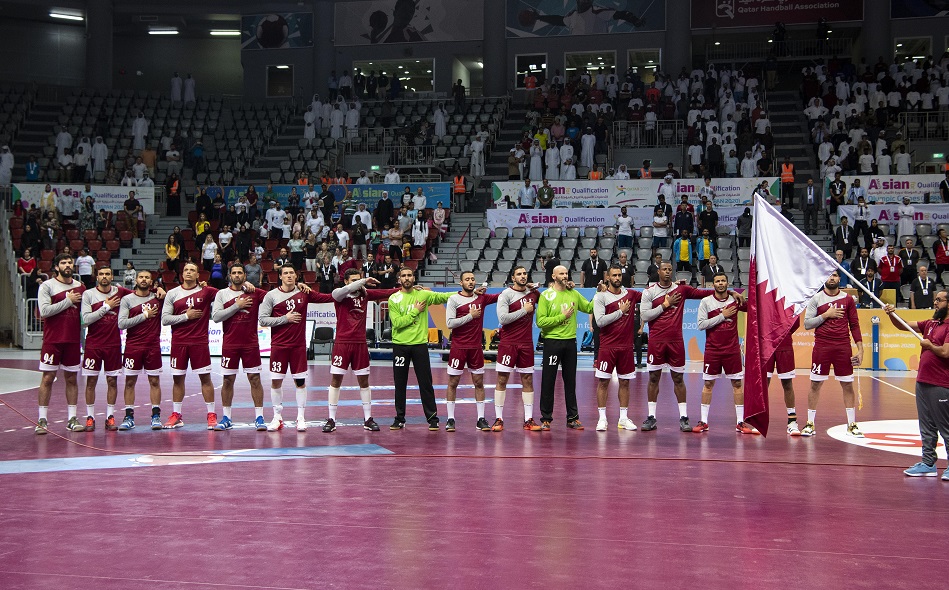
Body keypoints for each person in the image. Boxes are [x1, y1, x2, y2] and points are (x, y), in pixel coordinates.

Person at [640, 261, 739, 432]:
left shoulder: (682, 290)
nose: (667, 272)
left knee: (678, 379)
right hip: (656, 342)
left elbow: (705, 293)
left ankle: (684, 417)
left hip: (676, 342)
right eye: (664, 269)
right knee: (654, 378)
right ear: (658, 271)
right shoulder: (649, 292)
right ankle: (651, 417)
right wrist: (665, 304)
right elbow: (645, 315)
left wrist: (729, 291)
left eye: (670, 269)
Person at [321, 269, 397, 433]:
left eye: (359, 279)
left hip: (360, 344)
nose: (358, 283)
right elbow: (345, 291)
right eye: (354, 280)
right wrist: (362, 281)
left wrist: (406, 290)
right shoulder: (339, 294)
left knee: (364, 382)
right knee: (336, 380)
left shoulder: (365, 294)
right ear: (346, 281)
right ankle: (331, 419)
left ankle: (368, 418)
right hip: (342, 343)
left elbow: (386, 292)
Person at [883, 294, 949, 478]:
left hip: (941, 383)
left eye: (940, 300)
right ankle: (928, 463)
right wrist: (891, 315)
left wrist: (930, 346)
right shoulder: (930, 323)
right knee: (926, 426)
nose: (935, 302)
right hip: (923, 381)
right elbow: (903, 325)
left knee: (945, 426)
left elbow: (945, 352)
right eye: (935, 299)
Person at [258, 264, 329, 431]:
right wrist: (285, 318)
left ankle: (301, 418)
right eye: (286, 273)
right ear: (280, 277)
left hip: (298, 347)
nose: (289, 275)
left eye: (292, 273)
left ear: (296, 276)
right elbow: (262, 320)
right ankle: (277, 417)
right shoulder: (271, 296)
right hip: (278, 346)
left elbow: (326, 298)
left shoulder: (304, 293)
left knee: (300, 382)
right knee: (276, 382)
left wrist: (347, 291)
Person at [160, 262, 226, 429]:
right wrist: (186, 316)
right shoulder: (173, 293)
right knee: (178, 379)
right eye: (186, 270)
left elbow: (227, 296)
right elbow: (165, 319)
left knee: (205, 379)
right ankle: (176, 414)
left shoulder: (207, 291)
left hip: (199, 342)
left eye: (192, 270)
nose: (188, 272)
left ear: (198, 275)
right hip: (178, 343)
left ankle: (211, 414)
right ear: (182, 274)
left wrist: (246, 286)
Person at [387, 268, 452, 430]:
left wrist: (466, 292)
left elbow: (444, 297)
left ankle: (432, 418)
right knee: (400, 384)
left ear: (414, 278)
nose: (407, 278)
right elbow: (398, 323)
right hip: (400, 346)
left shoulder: (423, 295)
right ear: (399, 279)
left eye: (409, 275)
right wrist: (416, 311)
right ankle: (399, 418)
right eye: (404, 276)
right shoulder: (393, 299)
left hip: (419, 346)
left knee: (426, 383)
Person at [802, 270, 864, 437]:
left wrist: (860, 349)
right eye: (829, 275)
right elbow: (807, 324)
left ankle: (851, 424)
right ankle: (810, 423)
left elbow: (855, 325)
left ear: (839, 278)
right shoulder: (816, 299)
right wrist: (826, 315)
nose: (831, 278)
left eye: (835, 275)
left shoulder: (848, 299)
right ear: (824, 277)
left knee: (847, 385)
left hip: (843, 347)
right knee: (815, 384)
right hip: (822, 347)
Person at [694, 272, 757, 434]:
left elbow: (755, 308)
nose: (720, 283)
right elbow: (701, 325)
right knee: (708, 384)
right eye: (717, 281)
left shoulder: (735, 300)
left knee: (737, 384)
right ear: (713, 284)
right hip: (712, 350)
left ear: (727, 283)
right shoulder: (706, 302)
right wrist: (723, 316)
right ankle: (703, 421)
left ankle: (740, 422)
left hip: (732, 350)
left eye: (723, 281)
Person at [535, 265, 594, 430]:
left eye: (566, 273)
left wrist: (601, 294)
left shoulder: (573, 293)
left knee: (570, 381)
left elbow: (589, 308)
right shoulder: (546, 296)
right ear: (554, 276)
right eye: (561, 273)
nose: (565, 275)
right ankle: (546, 418)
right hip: (552, 342)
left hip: (570, 342)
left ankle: (573, 418)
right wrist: (563, 317)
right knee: (548, 380)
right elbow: (541, 322)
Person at [80, 267, 139, 431]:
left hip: (113, 344)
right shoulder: (88, 294)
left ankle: (110, 416)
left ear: (112, 276)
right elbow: (86, 320)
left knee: (112, 381)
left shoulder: (120, 292)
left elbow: (139, 293)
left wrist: (158, 289)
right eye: (101, 274)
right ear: (96, 276)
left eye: (107, 274)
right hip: (93, 344)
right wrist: (106, 306)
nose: (104, 276)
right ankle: (90, 417)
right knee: (91, 381)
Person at [211, 263, 268, 431]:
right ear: (229, 276)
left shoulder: (255, 292)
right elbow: (216, 317)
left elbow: (275, 297)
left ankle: (259, 417)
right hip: (230, 344)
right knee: (227, 380)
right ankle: (226, 417)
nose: (237, 275)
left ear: (245, 276)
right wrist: (237, 306)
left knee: (255, 379)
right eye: (234, 273)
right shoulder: (222, 294)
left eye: (240, 273)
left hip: (251, 344)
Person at [33, 254, 86, 434]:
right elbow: (45, 311)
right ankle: (42, 420)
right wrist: (68, 301)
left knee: (71, 379)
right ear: (57, 267)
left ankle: (72, 418)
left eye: (70, 262)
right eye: (63, 262)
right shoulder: (47, 286)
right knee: (48, 378)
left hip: (72, 340)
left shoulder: (81, 287)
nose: (67, 265)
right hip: (53, 340)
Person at [442, 272, 499, 431]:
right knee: (453, 383)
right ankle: (450, 419)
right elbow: (449, 323)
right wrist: (470, 316)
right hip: (458, 347)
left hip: (475, 348)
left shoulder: (481, 298)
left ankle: (481, 419)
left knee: (479, 382)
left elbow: (501, 296)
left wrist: (525, 289)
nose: (471, 282)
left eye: (473, 279)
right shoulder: (453, 299)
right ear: (461, 283)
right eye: (467, 279)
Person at [593, 264, 641, 432]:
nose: (617, 278)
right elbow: (599, 322)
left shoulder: (632, 294)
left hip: (626, 347)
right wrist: (620, 312)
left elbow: (651, 295)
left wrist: (673, 287)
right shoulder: (601, 297)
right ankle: (602, 419)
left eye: (619, 275)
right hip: (607, 347)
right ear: (608, 277)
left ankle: (623, 418)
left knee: (625, 382)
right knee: (603, 382)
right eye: (614, 275)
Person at [117, 270, 166, 430]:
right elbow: (122, 324)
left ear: (152, 282)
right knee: (130, 382)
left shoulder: (158, 297)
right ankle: (129, 416)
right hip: (133, 346)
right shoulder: (127, 300)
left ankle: (156, 416)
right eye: (141, 277)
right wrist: (144, 316)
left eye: (147, 278)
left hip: (152, 346)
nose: (143, 280)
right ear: (136, 279)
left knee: (154, 381)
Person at [495, 266, 542, 431]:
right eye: (519, 274)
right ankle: (498, 419)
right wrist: (524, 310)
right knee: (502, 379)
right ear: (513, 278)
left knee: (527, 380)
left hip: (526, 344)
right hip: (508, 343)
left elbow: (549, 301)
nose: (523, 276)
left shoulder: (534, 294)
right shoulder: (506, 295)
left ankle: (528, 419)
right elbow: (502, 318)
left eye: (524, 274)